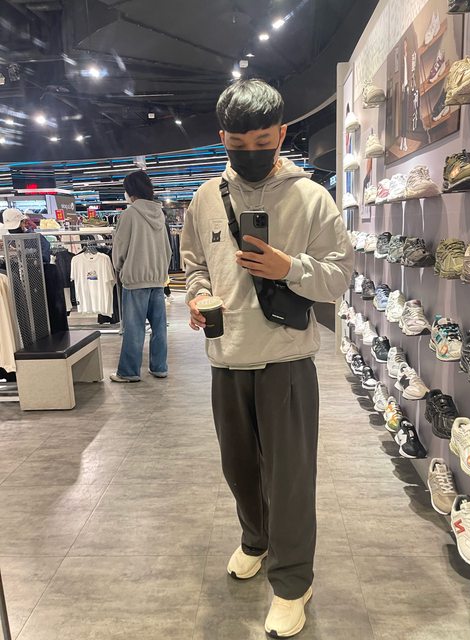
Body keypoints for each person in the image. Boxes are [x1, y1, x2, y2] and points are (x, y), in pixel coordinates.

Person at [181, 79, 353, 638]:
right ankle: (255, 541)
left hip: (286, 362)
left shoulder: (312, 198)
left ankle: (293, 583)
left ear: (281, 133)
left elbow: (340, 278)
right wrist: (197, 295)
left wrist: (291, 268)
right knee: (239, 469)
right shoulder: (205, 198)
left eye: (262, 141)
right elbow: (194, 263)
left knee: (291, 479)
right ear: (222, 138)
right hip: (225, 359)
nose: (250, 152)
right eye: (238, 143)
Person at [111, 170, 172, 382]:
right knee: (159, 327)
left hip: (135, 279)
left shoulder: (129, 214)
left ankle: (129, 372)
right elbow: (168, 249)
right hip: (157, 278)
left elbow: (120, 248)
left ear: (130, 191)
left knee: (134, 329)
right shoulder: (160, 214)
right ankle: (159, 367)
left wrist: (120, 268)